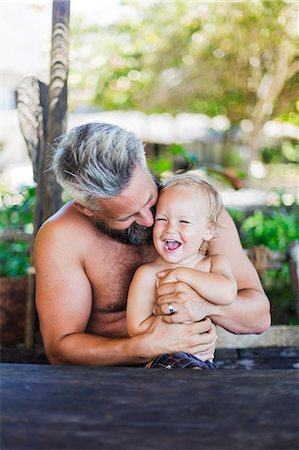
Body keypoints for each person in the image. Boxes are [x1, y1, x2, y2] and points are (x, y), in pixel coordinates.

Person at [34, 122, 271, 366]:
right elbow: (59, 350)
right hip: (106, 380)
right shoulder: (62, 237)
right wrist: (144, 346)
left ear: (144, 162)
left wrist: (204, 306)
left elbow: (258, 317)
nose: (149, 220)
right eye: (126, 217)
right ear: (86, 208)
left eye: (149, 199)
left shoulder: (197, 211)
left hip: (190, 369)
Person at [126, 174, 237, 369]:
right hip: (162, 361)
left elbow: (227, 293)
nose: (170, 229)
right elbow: (135, 329)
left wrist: (181, 274)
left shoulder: (213, 264)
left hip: (202, 361)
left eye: (183, 222)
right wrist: (168, 326)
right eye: (162, 219)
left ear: (208, 231)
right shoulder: (147, 274)